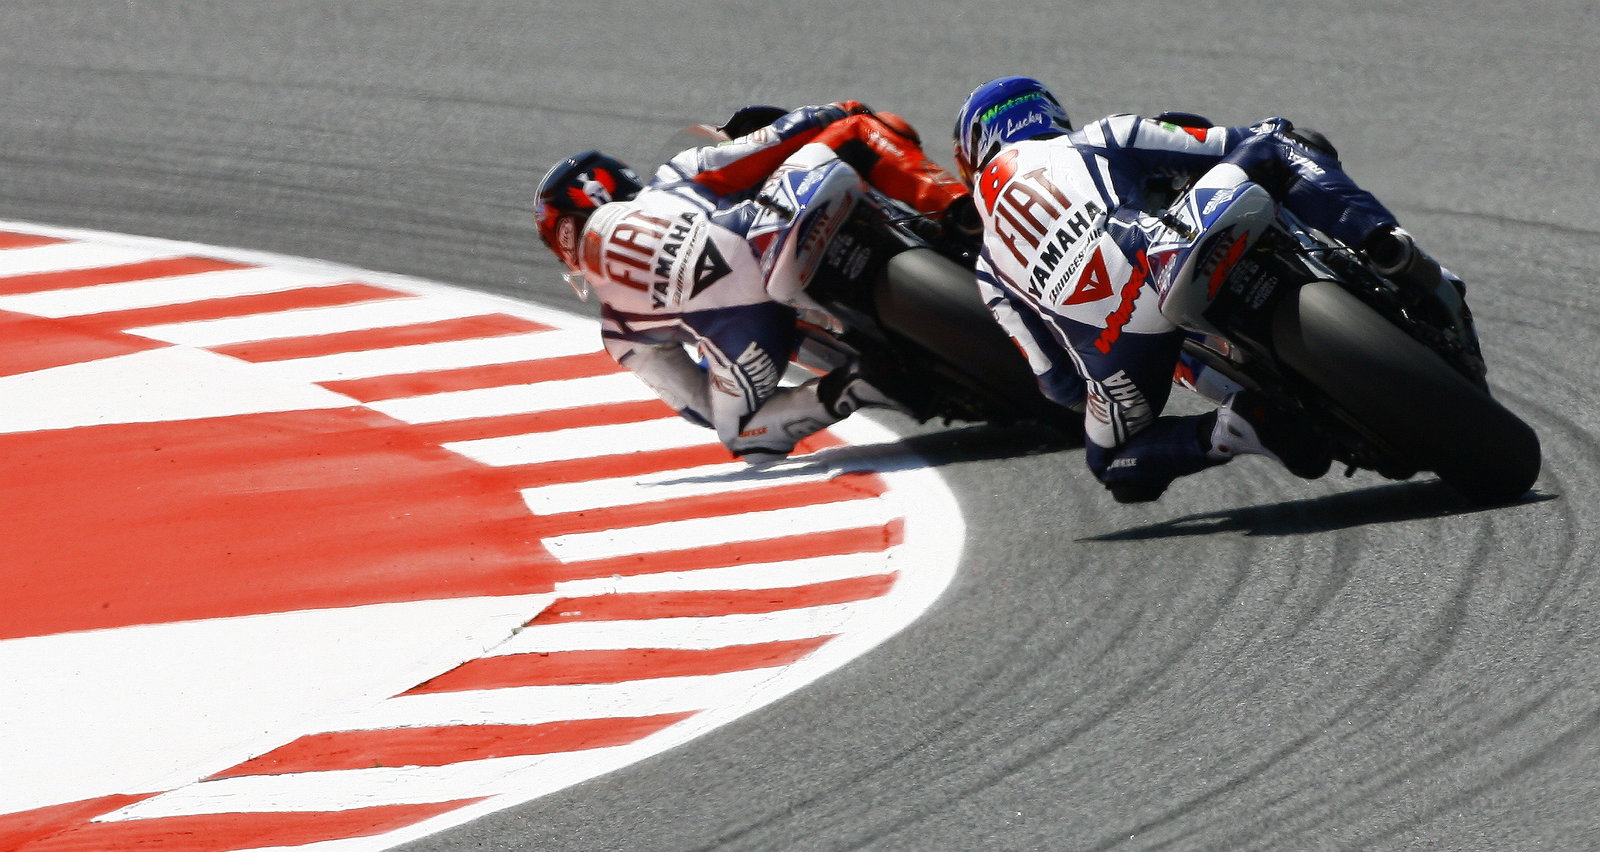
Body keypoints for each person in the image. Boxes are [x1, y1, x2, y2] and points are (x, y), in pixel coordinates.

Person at [951, 76, 1465, 502]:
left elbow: (1057, 385)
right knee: (1277, 141)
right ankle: (1385, 246)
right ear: (1049, 114)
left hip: (1118, 350)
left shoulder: (987, 269)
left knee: (1110, 462)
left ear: (973, 152)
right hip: (1157, 254)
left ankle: (1230, 431)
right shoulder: (1097, 137)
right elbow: (1233, 142)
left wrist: (1104, 370)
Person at [533, 101, 980, 464]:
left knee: (743, 434)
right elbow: (807, 128)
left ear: (564, 243)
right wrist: (834, 113)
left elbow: (699, 407)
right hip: (768, 233)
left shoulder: (619, 329)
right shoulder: (676, 174)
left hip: (752, 328)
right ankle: (962, 213)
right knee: (861, 126)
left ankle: (856, 384)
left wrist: (713, 348)